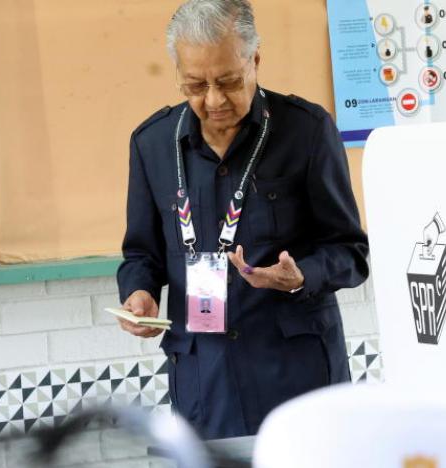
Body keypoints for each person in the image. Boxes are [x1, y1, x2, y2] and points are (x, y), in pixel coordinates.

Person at [116, 0, 369, 440]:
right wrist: (139, 293)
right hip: (203, 379)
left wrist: (301, 276)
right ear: (178, 72)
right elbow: (141, 253)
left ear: (255, 60)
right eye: (196, 85)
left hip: (297, 376)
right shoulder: (152, 143)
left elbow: (351, 252)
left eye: (229, 81)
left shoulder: (306, 131)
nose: (214, 99)